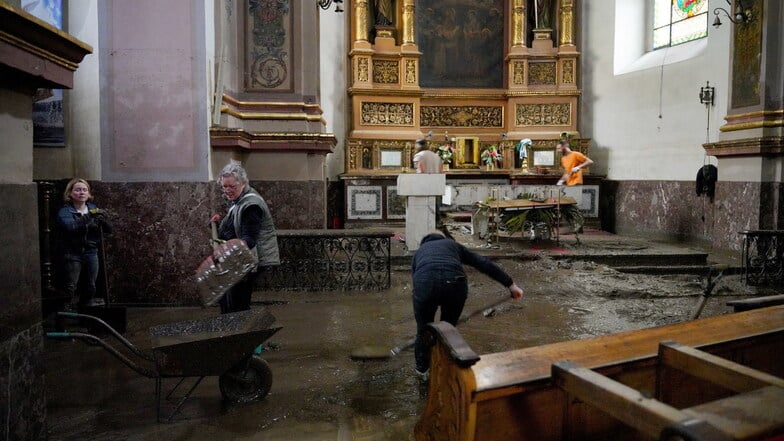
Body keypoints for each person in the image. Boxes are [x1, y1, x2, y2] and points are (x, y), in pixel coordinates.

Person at [410, 231, 524, 381]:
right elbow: (482, 263)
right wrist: (510, 284)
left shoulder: (419, 253)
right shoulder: (453, 245)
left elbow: (415, 279)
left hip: (425, 284)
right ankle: (447, 370)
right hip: (455, 284)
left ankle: (422, 372)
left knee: (423, 331)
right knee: (448, 329)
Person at [211, 163, 280, 314]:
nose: (228, 191)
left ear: (243, 183)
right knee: (230, 298)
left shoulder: (252, 206)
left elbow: (249, 239)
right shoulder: (240, 198)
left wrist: (229, 248)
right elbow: (235, 222)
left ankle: (237, 331)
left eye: (232, 187)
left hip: (249, 259)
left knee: (237, 302)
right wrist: (219, 223)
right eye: (224, 187)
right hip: (240, 258)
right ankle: (233, 328)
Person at [56, 178, 112, 310]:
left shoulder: (93, 209)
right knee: (70, 286)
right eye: (78, 190)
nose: (81, 192)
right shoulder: (65, 211)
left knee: (91, 286)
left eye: (84, 190)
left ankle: (85, 314)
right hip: (72, 254)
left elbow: (109, 230)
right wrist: (89, 217)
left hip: (91, 253)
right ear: (70, 193)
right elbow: (71, 226)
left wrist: (104, 221)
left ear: (89, 194)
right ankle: (64, 316)